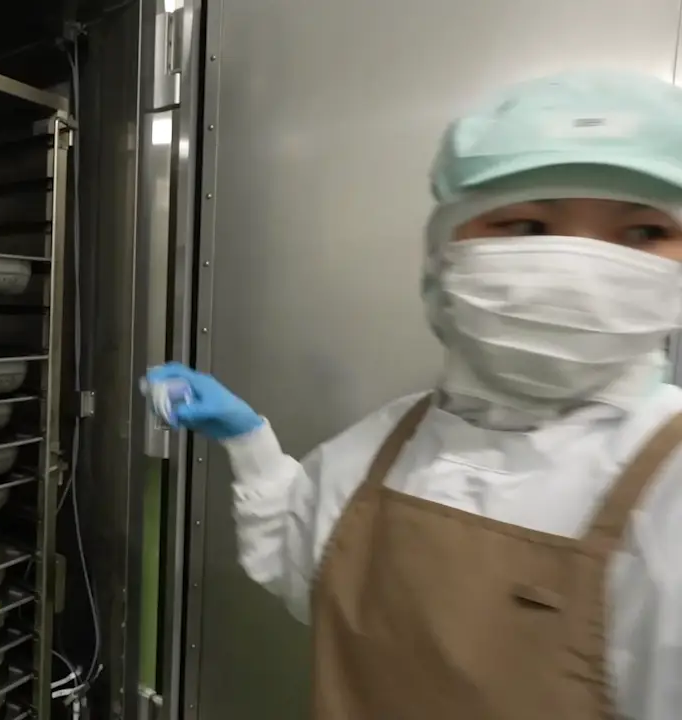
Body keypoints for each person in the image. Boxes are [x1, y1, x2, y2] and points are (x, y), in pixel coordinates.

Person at [144, 70, 682, 720]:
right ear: (445, 252)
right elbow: (301, 568)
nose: (578, 270)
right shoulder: (391, 441)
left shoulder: (669, 487)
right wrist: (248, 440)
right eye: (527, 225)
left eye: (642, 233)